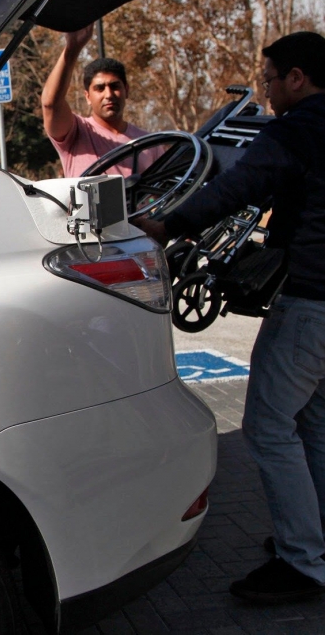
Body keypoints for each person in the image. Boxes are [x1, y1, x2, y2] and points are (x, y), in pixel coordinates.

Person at [141, 32, 325, 604]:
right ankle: (314, 541)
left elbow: (239, 185)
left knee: (268, 428)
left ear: (298, 77)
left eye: (271, 78)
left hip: (311, 302)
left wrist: (167, 225)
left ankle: (303, 564)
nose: (267, 90)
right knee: (314, 425)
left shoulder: (296, 129)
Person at [41, 22, 160, 177]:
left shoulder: (150, 143)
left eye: (115, 86)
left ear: (126, 91)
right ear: (88, 97)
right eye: (100, 88)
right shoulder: (75, 132)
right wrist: (72, 49)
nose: (108, 94)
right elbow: (50, 103)